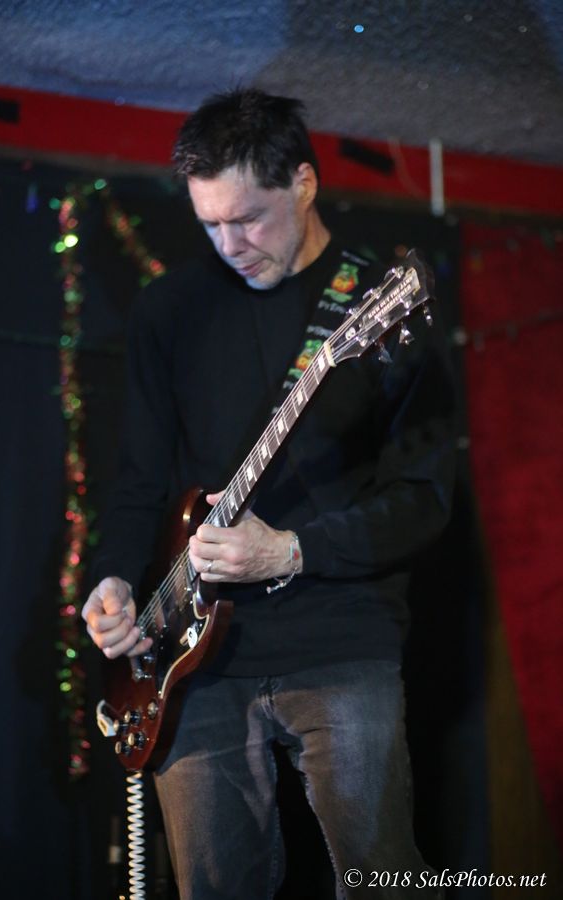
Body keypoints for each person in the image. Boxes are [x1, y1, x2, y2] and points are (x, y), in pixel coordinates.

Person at [82, 88, 456, 899]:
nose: (230, 245)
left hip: (341, 640)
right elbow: (140, 479)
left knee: (383, 880)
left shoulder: (377, 307)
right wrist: (112, 579)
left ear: (304, 183)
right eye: (210, 223)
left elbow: (426, 501)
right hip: (192, 668)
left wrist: (290, 550)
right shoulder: (168, 312)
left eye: (248, 218)